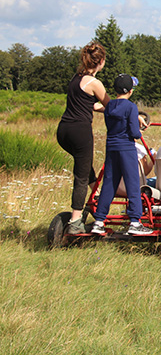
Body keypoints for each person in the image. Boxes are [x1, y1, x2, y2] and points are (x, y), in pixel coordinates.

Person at [57, 41, 111, 234]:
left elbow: (92, 105)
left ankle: (96, 197)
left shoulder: (76, 78)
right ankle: (75, 221)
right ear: (101, 61)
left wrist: (103, 110)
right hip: (80, 131)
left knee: (85, 166)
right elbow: (113, 106)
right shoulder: (95, 83)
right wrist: (134, 115)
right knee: (81, 177)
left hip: (63, 130)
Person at [91, 74, 153, 235]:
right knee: (133, 184)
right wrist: (139, 131)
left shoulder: (110, 105)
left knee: (109, 184)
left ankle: (99, 221)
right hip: (126, 148)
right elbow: (134, 132)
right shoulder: (131, 107)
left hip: (111, 147)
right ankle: (135, 222)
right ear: (131, 91)